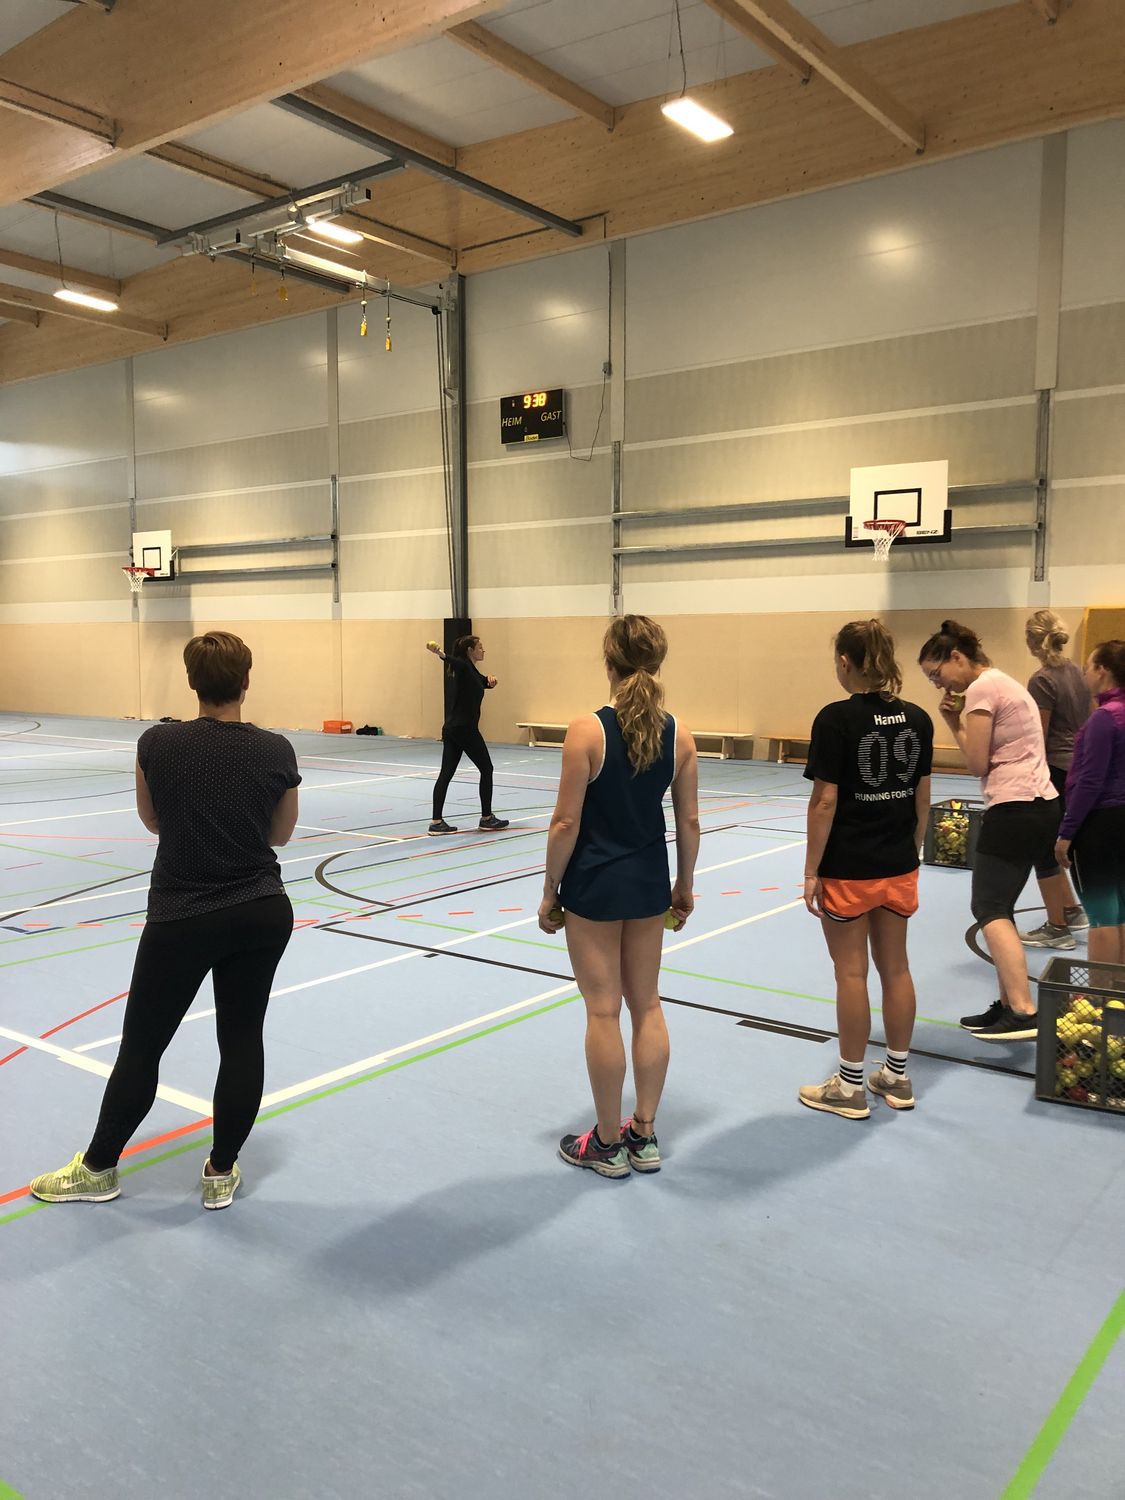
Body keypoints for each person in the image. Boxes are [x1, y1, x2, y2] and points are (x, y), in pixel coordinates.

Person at [30, 632, 299, 1210]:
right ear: (246, 681)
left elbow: (152, 820)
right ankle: (221, 1172)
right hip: (261, 911)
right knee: (242, 1041)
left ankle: (98, 1168)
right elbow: (280, 835)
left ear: (192, 682)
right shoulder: (277, 751)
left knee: (142, 1047)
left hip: (182, 916)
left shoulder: (157, 742)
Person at [538, 614, 699, 1177]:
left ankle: (607, 1141)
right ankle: (644, 1134)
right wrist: (684, 884)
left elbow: (565, 822)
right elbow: (690, 822)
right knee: (647, 1004)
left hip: (595, 886)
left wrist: (549, 890)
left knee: (603, 1010)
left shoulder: (587, 731)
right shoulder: (680, 734)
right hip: (649, 884)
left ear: (609, 663)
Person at [798, 620, 933, 1119]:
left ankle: (851, 1085)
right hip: (898, 864)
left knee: (851, 972)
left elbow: (824, 801)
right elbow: (922, 795)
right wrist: (911, 848)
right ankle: (897, 1077)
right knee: (896, 967)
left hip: (849, 867)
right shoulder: (918, 718)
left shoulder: (835, 719)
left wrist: (811, 870)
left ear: (845, 662)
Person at [918, 619, 1059, 1041]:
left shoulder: (982, 689)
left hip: (1015, 808)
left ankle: (1023, 1010)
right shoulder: (1003, 683)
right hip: (1039, 804)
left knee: (989, 907)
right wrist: (954, 719)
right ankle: (1008, 1004)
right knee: (1001, 909)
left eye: (936, 673)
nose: (937, 683)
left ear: (957, 657)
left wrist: (954, 723)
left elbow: (977, 763)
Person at [1018, 609, 1092, 949]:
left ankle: (1057, 926)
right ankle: (1071, 909)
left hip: (1055, 769)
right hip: (1078, 764)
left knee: (1043, 843)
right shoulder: (1077, 671)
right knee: (1055, 841)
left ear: (1032, 640)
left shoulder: (1042, 680)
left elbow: (1039, 732)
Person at [1055, 640, 1125, 966]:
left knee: (1102, 916)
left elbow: (1090, 781)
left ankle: (1099, 992)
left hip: (1100, 824)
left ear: (1102, 670)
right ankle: (1118, 988)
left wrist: (1067, 832)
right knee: (1120, 909)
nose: (1084, 673)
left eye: (1087, 667)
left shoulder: (1104, 718)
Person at [426, 635, 509, 835]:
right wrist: (440, 653)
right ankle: (487, 818)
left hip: (452, 728)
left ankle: (436, 822)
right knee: (487, 768)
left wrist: (490, 681)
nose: (483, 650)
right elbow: (452, 661)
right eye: (480, 647)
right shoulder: (463, 665)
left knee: (446, 773)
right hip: (465, 729)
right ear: (470, 650)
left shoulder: (471, 670)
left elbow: (481, 682)